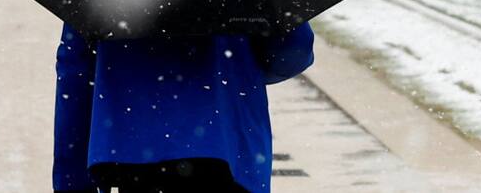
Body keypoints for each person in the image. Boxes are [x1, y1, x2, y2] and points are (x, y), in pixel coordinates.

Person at [52, 23, 315, 192]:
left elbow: (76, 73)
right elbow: (294, 49)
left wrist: (72, 180)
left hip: (135, 156)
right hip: (227, 152)